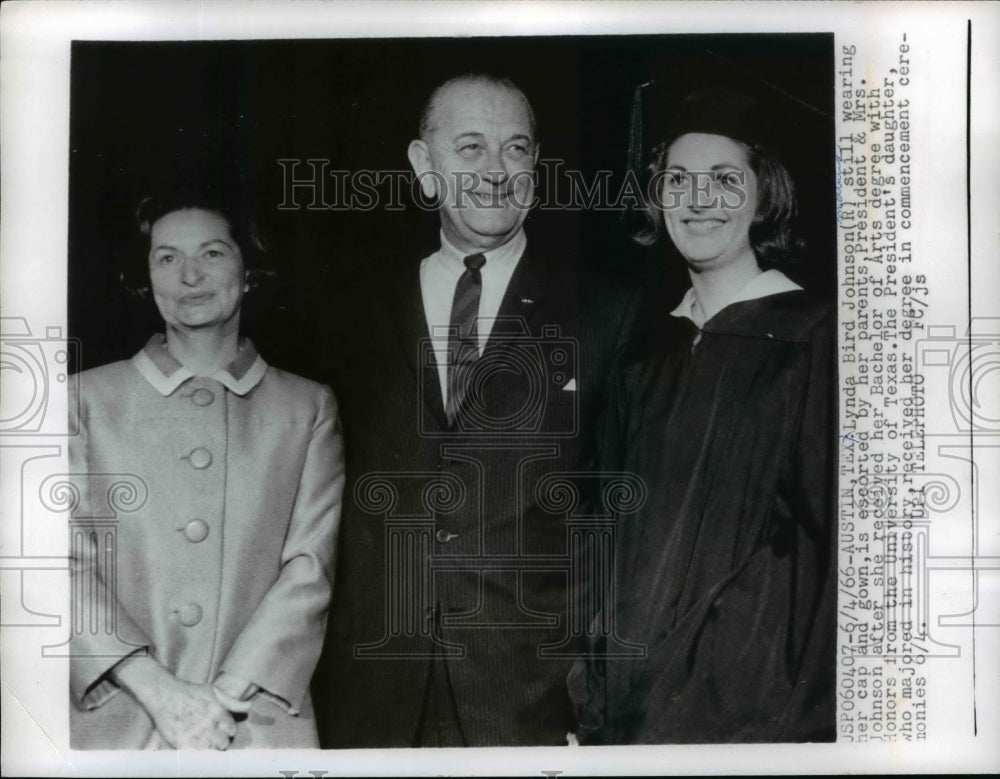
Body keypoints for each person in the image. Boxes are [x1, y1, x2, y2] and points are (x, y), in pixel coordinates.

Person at [314, 73, 638, 747]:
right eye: (470, 148)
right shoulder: (346, 314)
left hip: (532, 700)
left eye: (516, 149)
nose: (496, 171)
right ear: (423, 166)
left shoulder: (607, 313)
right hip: (374, 692)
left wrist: (594, 690)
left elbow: (622, 521)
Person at [568, 90, 837, 743]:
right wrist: (590, 690)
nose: (698, 199)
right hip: (629, 707)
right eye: (678, 181)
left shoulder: (814, 338)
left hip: (747, 708)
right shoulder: (646, 360)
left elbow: (836, 549)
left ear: (763, 197)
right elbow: (604, 529)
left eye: (724, 180)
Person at [69, 187, 345, 749]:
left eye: (213, 253)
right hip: (120, 717)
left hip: (254, 722)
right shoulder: (82, 400)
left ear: (249, 271)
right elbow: (58, 565)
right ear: (146, 279)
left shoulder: (307, 406)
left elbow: (309, 570)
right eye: (167, 258)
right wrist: (161, 692)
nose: (189, 275)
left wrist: (221, 701)